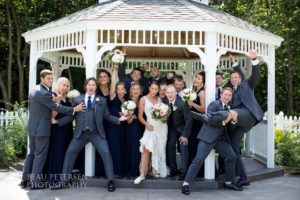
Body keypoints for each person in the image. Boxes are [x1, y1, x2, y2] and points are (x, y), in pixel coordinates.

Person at [51, 77, 128, 192]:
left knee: (106, 153)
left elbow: (106, 116)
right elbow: (72, 115)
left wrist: (118, 119)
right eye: (89, 84)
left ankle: (111, 181)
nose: (91, 87)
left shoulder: (101, 100)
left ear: (96, 87)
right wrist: (58, 121)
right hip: (80, 134)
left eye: (93, 85)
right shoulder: (78, 99)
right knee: (70, 152)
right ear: (85, 86)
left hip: (97, 134)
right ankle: (64, 181)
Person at [19, 69, 85, 190]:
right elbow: (54, 107)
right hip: (42, 129)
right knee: (39, 155)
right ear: (42, 78)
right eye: (48, 78)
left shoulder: (35, 89)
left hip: (33, 127)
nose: (50, 80)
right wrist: (74, 109)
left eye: (51, 78)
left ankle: (25, 179)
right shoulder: (45, 93)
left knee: (32, 154)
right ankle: (35, 183)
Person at [182, 87, 241, 195]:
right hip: (207, 138)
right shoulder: (214, 105)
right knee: (198, 159)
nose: (227, 97)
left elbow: (230, 128)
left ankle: (229, 182)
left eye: (229, 95)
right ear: (221, 95)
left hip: (220, 139)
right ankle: (185, 184)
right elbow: (210, 121)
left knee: (232, 157)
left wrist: (234, 120)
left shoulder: (230, 108)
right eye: (225, 94)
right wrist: (226, 120)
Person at [225, 50, 263, 187]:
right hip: (240, 123)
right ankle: (243, 177)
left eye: (236, 77)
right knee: (233, 148)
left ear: (240, 78)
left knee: (232, 112)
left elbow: (255, 75)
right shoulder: (231, 92)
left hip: (248, 114)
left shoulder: (246, 85)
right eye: (232, 78)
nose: (234, 79)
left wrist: (254, 59)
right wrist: (234, 62)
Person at [45, 77, 83, 183]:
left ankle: (64, 176)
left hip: (67, 128)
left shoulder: (69, 99)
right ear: (58, 85)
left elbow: (73, 112)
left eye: (67, 85)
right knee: (58, 151)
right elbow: (52, 115)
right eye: (63, 85)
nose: (65, 87)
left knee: (66, 151)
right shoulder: (53, 96)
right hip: (57, 129)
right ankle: (55, 177)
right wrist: (58, 100)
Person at [134, 81, 168, 184]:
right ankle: (142, 175)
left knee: (159, 149)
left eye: (156, 89)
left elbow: (163, 114)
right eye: (152, 88)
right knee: (146, 150)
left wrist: (164, 118)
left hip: (161, 127)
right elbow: (140, 116)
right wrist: (146, 124)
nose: (154, 91)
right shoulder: (143, 99)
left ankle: (154, 170)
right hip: (150, 127)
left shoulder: (159, 99)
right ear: (149, 88)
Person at [164, 85, 193, 180]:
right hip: (171, 128)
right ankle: (173, 169)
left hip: (182, 128)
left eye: (172, 92)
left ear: (176, 93)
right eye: (168, 92)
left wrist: (185, 135)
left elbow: (189, 120)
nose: (170, 94)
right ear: (165, 93)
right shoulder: (164, 101)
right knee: (170, 145)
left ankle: (184, 171)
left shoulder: (182, 104)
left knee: (183, 147)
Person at [106, 64, 128, 177]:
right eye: (118, 89)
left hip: (122, 127)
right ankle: (113, 170)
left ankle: (120, 170)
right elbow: (113, 82)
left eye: (122, 89)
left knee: (121, 146)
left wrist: (126, 113)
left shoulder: (126, 101)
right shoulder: (112, 96)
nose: (119, 91)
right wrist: (115, 69)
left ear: (125, 90)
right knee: (113, 146)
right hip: (113, 125)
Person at [186, 72, 206, 175]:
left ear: (203, 81)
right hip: (194, 122)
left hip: (199, 123)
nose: (196, 80)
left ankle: (199, 171)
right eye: (196, 78)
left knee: (195, 145)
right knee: (192, 146)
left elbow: (203, 109)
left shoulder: (202, 93)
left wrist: (192, 103)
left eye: (198, 78)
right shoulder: (195, 91)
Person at [123, 83, 144, 178]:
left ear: (140, 91)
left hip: (143, 128)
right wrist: (130, 114)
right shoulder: (127, 103)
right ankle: (132, 170)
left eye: (138, 89)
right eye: (134, 89)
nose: (136, 91)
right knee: (133, 149)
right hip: (132, 129)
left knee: (141, 150)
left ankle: (141, 170)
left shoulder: (143, 100)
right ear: (131, 91)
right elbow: (128, 121)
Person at [95, 69, 111, 177]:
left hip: (110, 122)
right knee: (100, 146)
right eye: (100, 77)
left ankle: (109, 169)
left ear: (109, 79)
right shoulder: (96, 91)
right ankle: (99, 169)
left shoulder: (112, 90)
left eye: (104, 76)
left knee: (108, 146)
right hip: (99, 122)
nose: (102, 78)